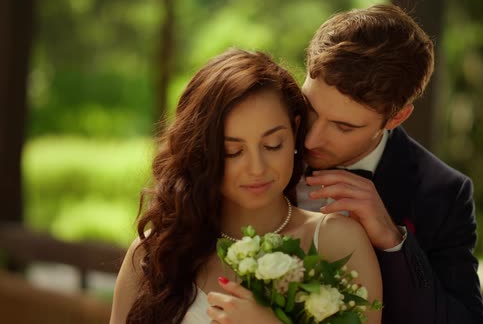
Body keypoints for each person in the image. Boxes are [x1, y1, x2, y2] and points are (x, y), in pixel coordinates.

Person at [109, 48, 382, 323]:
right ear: (202, 152)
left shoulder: (337, 241)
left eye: (272, 145)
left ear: (295, 130)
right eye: (233, 151)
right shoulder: (155, 253)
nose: (257, 168)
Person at [296, 4, 483, 323]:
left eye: (344, 127)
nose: (310, 140)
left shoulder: (442, 193)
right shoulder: (265, 145)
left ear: (397, 117)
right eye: (310, 108)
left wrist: (392, 240)